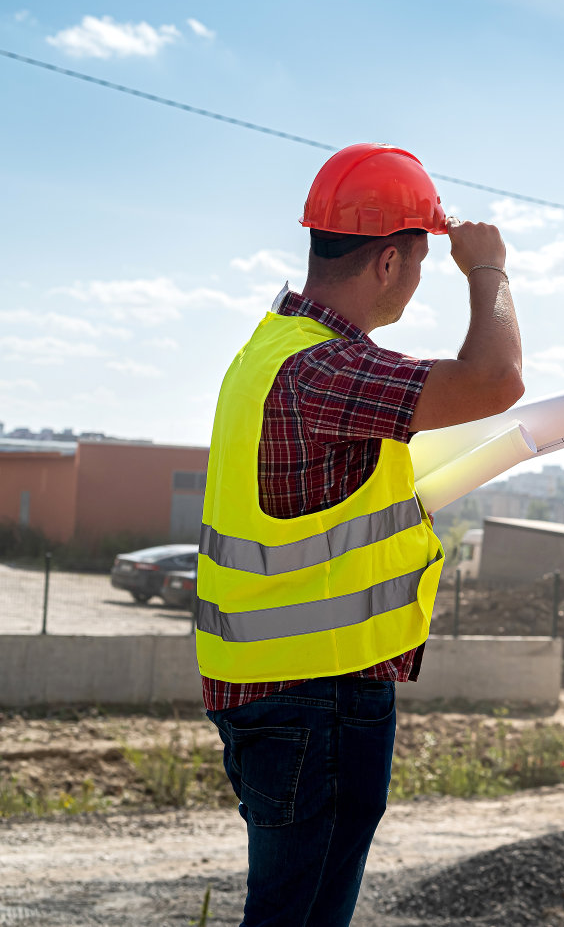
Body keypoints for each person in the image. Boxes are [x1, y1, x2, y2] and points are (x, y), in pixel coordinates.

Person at [195, 143, 525, 926]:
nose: (416, 282)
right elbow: (496, 380)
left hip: (272, 691)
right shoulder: (326, 371)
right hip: (319, 697)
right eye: (417, 263)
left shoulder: (274, 350)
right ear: (386, 264)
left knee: (289, 907)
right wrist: (489, 270)